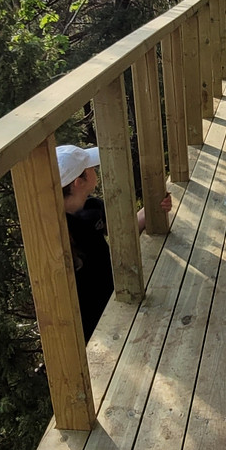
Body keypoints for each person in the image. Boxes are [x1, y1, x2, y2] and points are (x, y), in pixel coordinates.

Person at [56, 144, 172, 343]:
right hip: (88, 320)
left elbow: (124, 232)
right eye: (90, 168)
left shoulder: (93, 206)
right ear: (78, 182)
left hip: (116, 297)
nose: (95, 169)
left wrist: (153, 208)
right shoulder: (58, 229)